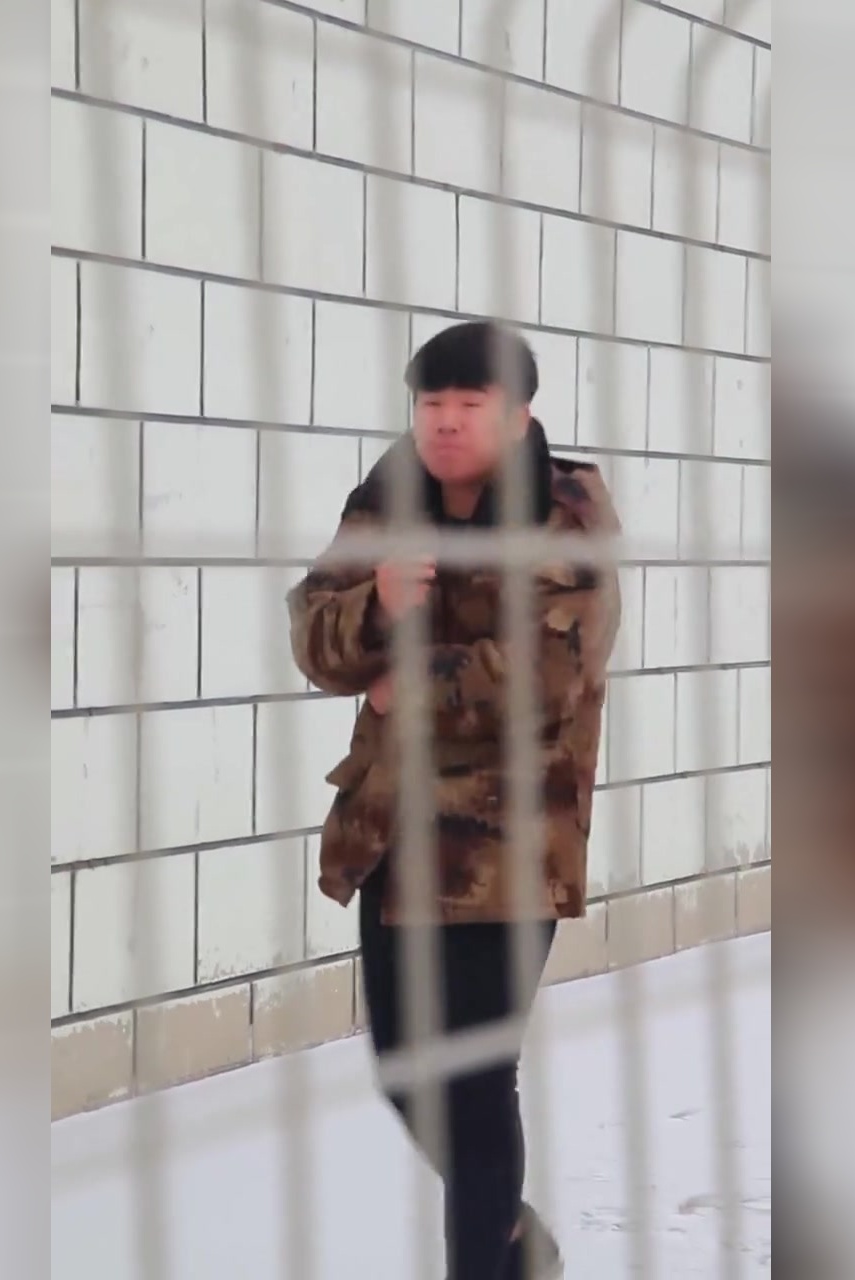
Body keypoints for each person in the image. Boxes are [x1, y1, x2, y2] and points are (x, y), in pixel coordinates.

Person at [286, 321, 620, 1280]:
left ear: (517, 416)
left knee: (471, 1077)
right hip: (392, 832)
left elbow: (548, 673)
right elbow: (312, 635)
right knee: (404, 1070)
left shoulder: (566, 515)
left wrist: (407, 684)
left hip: (505, 845)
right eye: (429, 403)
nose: (442, 423)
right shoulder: (387, 498)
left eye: (468, 404)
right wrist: (377, 606)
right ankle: (510, 1238)